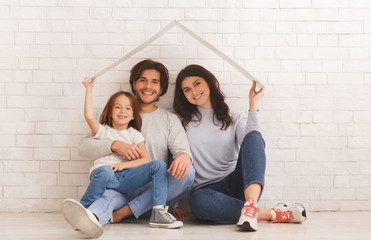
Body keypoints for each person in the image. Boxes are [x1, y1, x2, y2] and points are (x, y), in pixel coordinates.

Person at [173, 64, 307, 231]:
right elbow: (174, 156)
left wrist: (253, 103)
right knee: (198, 203)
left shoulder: (234, 118)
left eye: (197, 83)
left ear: (208, 83)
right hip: (206, 191)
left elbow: (252, 143)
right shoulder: (180, 121)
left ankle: (251, 205)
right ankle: (271, 214)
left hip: (238, 184)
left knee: (254, 136)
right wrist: (174, 202)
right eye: (186, 90)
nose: (193, 92)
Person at [73, 59, 195, 238]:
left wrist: (184, 155)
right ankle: (90, 219)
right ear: (134, 84)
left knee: (188, 172)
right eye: (143, 80)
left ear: (161, 89)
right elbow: (84, 148)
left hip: (152, 192)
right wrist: (115, 145)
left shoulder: (168, 119)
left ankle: (123, 214)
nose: (148, 86)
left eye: (155, 82)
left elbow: (181, 152)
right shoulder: (118, 114)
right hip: (119, 188)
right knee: (106, 199)